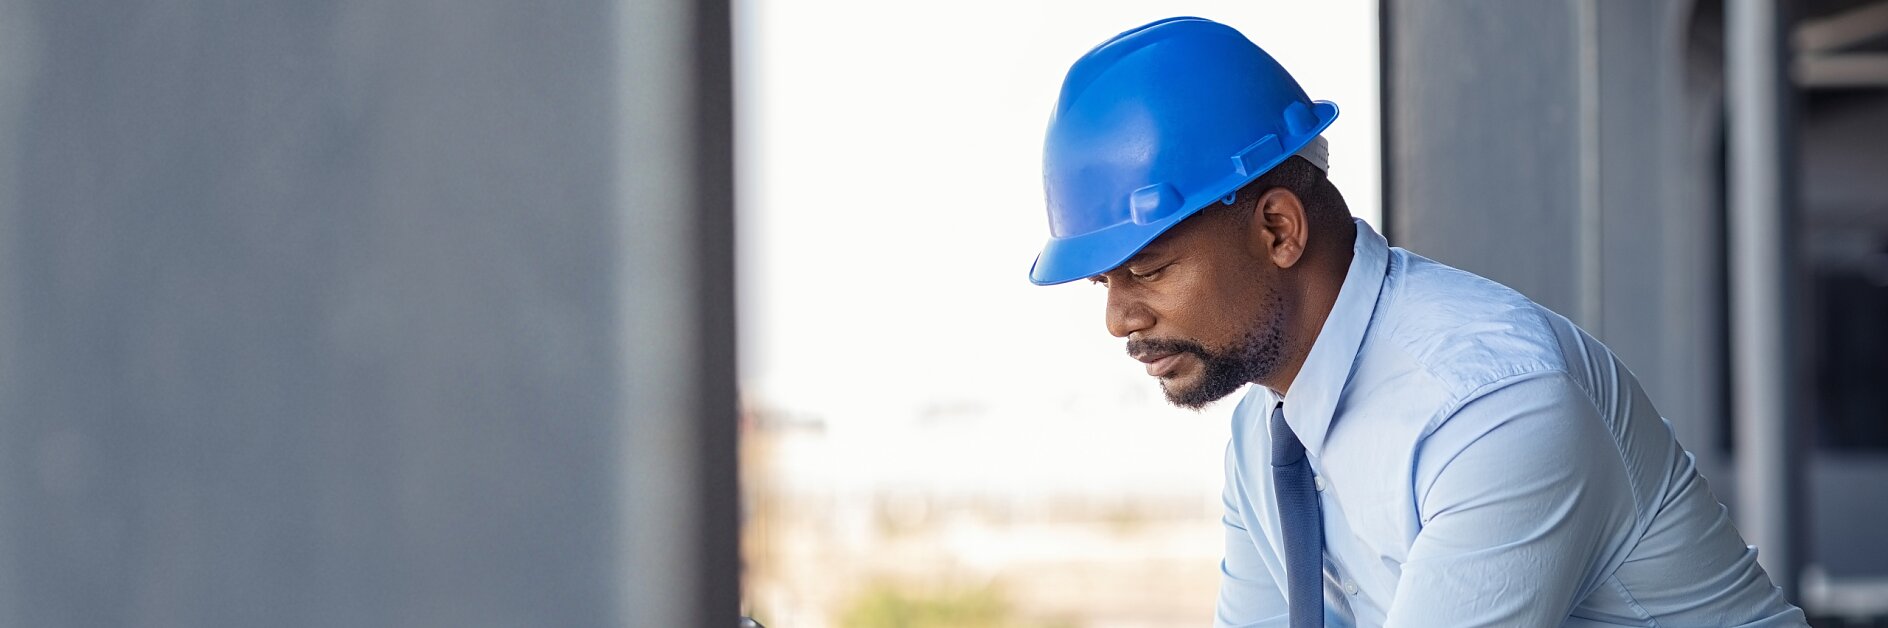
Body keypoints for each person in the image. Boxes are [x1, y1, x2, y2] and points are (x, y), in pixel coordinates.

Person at [1027, 17, 1809, 628]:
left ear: (1277, 230)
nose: (1117, 317)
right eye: (1104, 279)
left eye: (1149, 268)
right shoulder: (1268, 436)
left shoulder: (1490, 407)